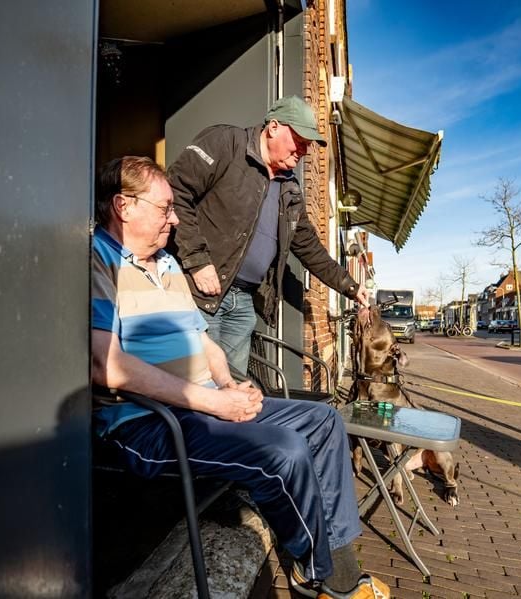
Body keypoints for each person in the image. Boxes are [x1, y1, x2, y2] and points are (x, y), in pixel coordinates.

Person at [91, 156, 390, 599]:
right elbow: (107, 365)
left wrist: (227, 385)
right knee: (284, 451)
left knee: (324, 422)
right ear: (124, 206)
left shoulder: (168, 266)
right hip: (148, 424)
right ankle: (331, 580)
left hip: (204, 403)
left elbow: (205, 342)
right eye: (165, 208)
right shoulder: (99, 262)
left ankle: (335, 563)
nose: (174, 219)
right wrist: (213, 402)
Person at [167, 96, 370, 376]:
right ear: (273, 127)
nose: (304, 150)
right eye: (299, 140)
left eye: (308, 144)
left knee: (234, 386)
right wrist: (198, 261)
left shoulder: (290, 188)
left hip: (244, 301)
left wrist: (349, 285)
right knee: (203, 383)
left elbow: (310, 248)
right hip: (200, 294)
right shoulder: (227, 143)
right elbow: (175, 192)